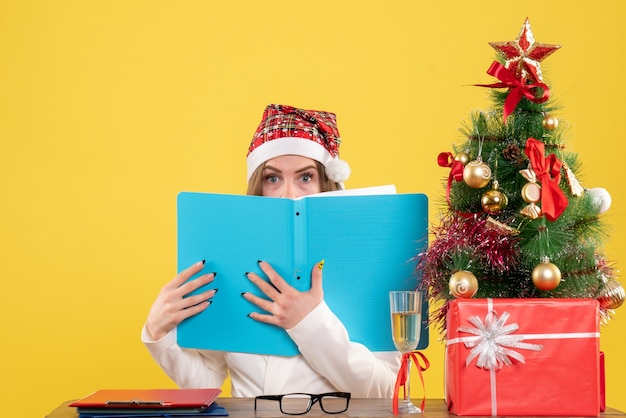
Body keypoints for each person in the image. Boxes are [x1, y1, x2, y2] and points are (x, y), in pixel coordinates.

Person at [142, 104, 401, 398]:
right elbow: (205, 386)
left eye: (305, 177)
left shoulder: (371, 257)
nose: (288, 193)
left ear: (326, 184)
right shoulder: (228, 259)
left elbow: (384, 391)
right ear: (258, 186)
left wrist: (310, 322)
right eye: (273, 178)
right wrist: (158, 333)